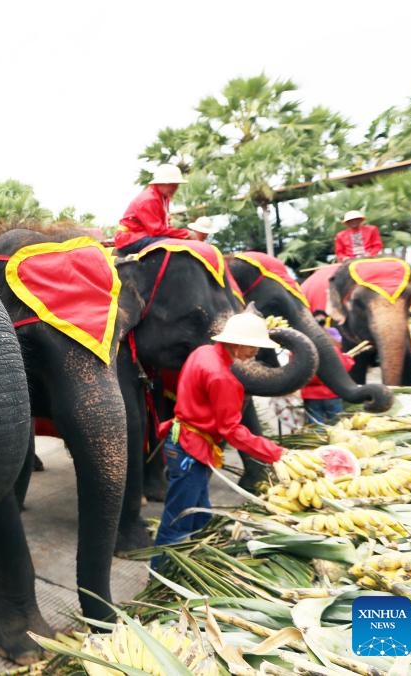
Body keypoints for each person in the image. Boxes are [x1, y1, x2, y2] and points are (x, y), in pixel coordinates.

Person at [153, 311, 288, 551]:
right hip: (190, 449)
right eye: (252, 347)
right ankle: (159, 574)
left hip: (183, 441)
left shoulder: (202, 352)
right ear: (235, 343)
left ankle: (191, 558)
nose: (256, 352)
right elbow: (232, 430)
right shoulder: (223, 378)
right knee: (177, 521)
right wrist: (275, 453)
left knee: (200, 514)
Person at [114, 163, 190, 254]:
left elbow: (164, 226)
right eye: (172, 185)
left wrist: (182, 235)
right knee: (169, 244)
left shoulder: (163, 198)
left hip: (143, 236)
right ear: (160, 184)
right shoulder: (149, 199)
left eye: (177, 185)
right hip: (129, 239)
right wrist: (185, 234)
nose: (175, 188)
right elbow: (156, 231)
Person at [301, 314, 354, 424]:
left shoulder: (303, 351)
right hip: (332, 393)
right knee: (337, 422)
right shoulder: (332, 350)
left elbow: (297, 373)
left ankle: (318, 439)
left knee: (315, 424)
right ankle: (338, 438)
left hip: (311, 396)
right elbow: (344, 367)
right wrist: (348, 358)